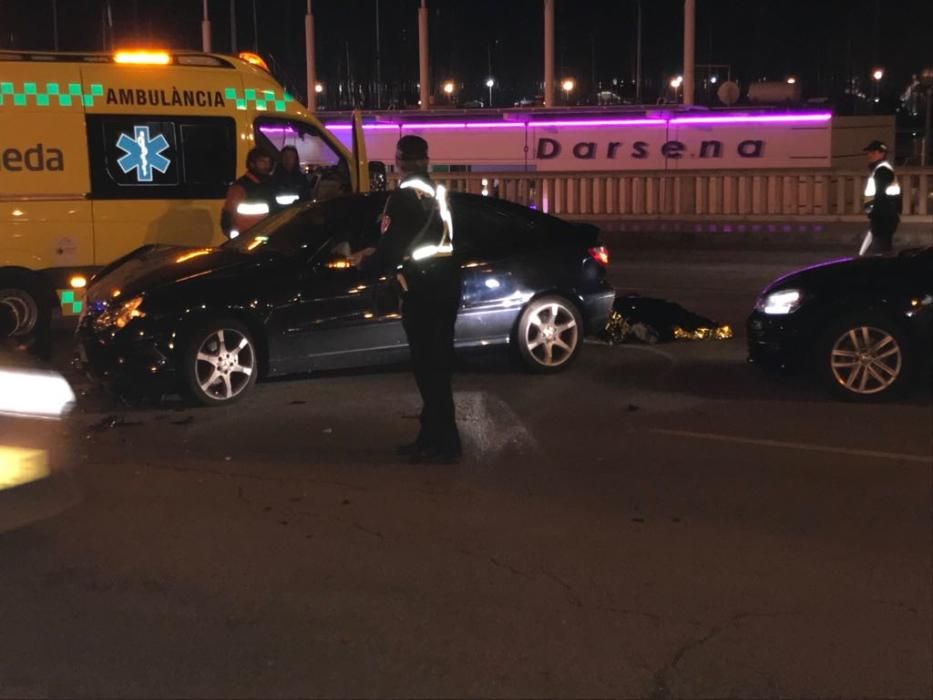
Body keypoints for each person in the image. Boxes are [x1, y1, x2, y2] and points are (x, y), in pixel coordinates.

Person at [349, 135, 462, 464]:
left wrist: (365, 263)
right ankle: (436, 438)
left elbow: (391, 250)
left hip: (423, 289)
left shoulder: (400, 199)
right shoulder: (438, 194)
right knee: (440, 365)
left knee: (427, 366)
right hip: (448, 283)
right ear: (426, 159)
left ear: (398, 161)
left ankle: (440, 443)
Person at [220, 147, 275, 239]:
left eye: (268, 162)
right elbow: (227, 215)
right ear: (252, 164)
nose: (266, 166)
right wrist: (235, 238)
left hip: (264, 236)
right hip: (246, 238)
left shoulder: (268, 185)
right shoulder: (240, 187)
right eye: (262, 162)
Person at [859, 140, 901, 256]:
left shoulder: (882, 171)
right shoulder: (880, 170)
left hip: (883, 216)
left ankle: (883, 271)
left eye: (873, 152)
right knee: (883, 248)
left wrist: (874, 213)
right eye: (868, 152)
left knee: (881, 251)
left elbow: (880, 195)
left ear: (882, 154)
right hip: (885, 216)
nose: (869, 155)